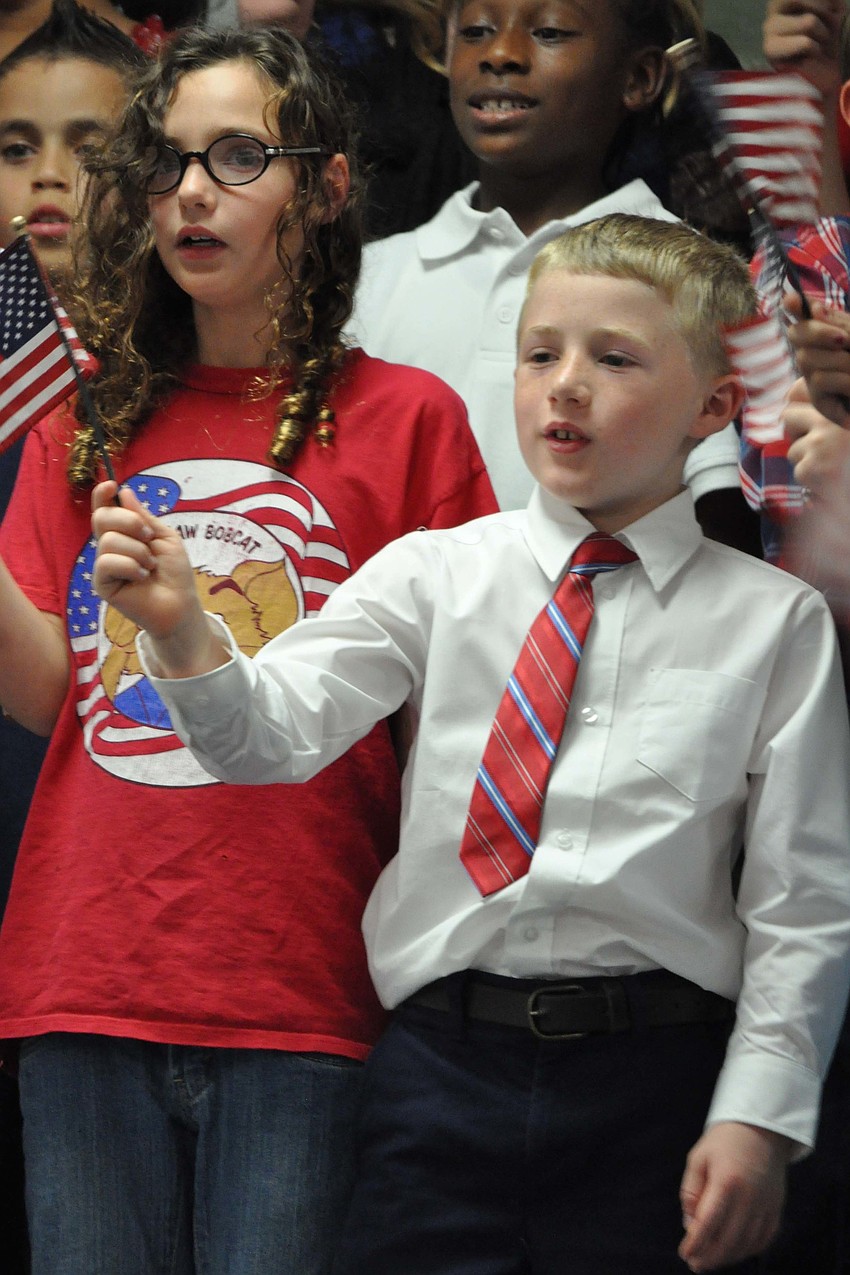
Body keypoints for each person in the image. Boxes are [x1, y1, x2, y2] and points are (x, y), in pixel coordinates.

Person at [91, 214, 850, 1275]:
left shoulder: (775, 622)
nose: (565, 385)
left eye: (614, 358)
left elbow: (802, 902)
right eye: (541, 353)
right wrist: (180, 627)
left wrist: (758, 1115)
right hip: (440, 1075)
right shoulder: (433, 575)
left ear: (715, 406)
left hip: (661, 1078)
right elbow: (262, 740)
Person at [0, 24, 495, 1275]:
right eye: (165, 166)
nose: (192, 196)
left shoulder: (409, 418)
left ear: (326, 186)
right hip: (88, 964)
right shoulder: (87, 408)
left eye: (236, 157)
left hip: (300, 973)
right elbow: (46, 695)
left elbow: (465, 710)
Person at [347, 0, 754, 551]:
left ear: (638, 78)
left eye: (549, 31)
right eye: (475, 31)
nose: (501, 54)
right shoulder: (368, 278)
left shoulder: (689, 282)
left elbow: (721, 532)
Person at [0, 5, 145, 1269]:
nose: (47, 174)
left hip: (78, 847)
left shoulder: (158, 382)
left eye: (89, 144)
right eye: (14, 144)